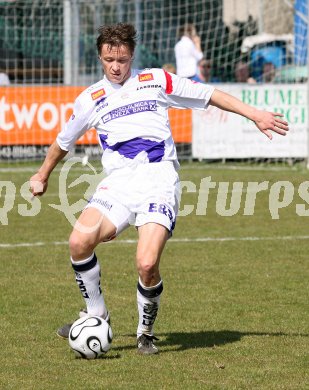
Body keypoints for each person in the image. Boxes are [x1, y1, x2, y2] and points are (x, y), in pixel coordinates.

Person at [30, 23, 289, 355]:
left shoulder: (155, 79)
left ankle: (145, 332)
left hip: (158, 180)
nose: (115, 66)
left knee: (147, 263)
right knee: (79, 241)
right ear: (100, 57)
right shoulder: (89, 99)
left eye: (122, 59)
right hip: (118, 184)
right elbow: (62, 142)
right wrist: (42, 174)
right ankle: (97, 315)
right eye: (109, 59)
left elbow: (208, 94)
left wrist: (254, 114)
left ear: (131, 55)